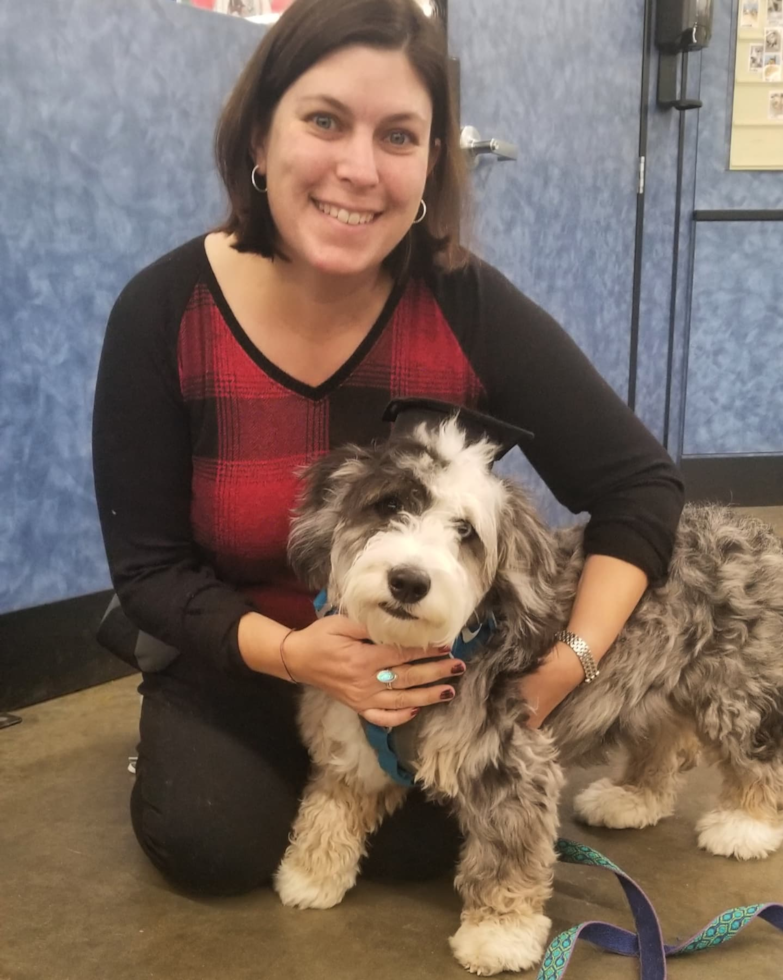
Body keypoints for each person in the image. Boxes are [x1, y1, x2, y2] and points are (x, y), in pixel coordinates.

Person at [92, 0, 684, 898]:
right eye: (325, 121)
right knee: (211, 845)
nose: (358, 169)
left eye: (400, 136)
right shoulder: (163, 312)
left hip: (434, 674)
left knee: (430, 849)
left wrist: (566, 669)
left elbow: (640, 486)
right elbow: (149, 571)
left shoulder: (467, 305)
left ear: (432, 165)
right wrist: (299, 657)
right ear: (260, 134)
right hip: (246, 650)